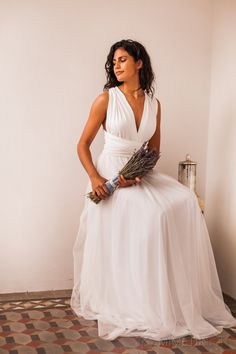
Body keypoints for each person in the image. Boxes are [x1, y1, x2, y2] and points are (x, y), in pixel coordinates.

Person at [70, 39, 236, 341]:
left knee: (184, 200)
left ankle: (176, 297)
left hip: (139, 173)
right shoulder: (105, 100)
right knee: (154, 214)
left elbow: (153, 150)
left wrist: (139, 174)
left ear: (139, 63)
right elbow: (82, 145)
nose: (116, 66)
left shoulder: (154, 104)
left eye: (122, 60)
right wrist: (95, 178)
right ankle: (138, 299)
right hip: (110, 172)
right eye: (114, 62)